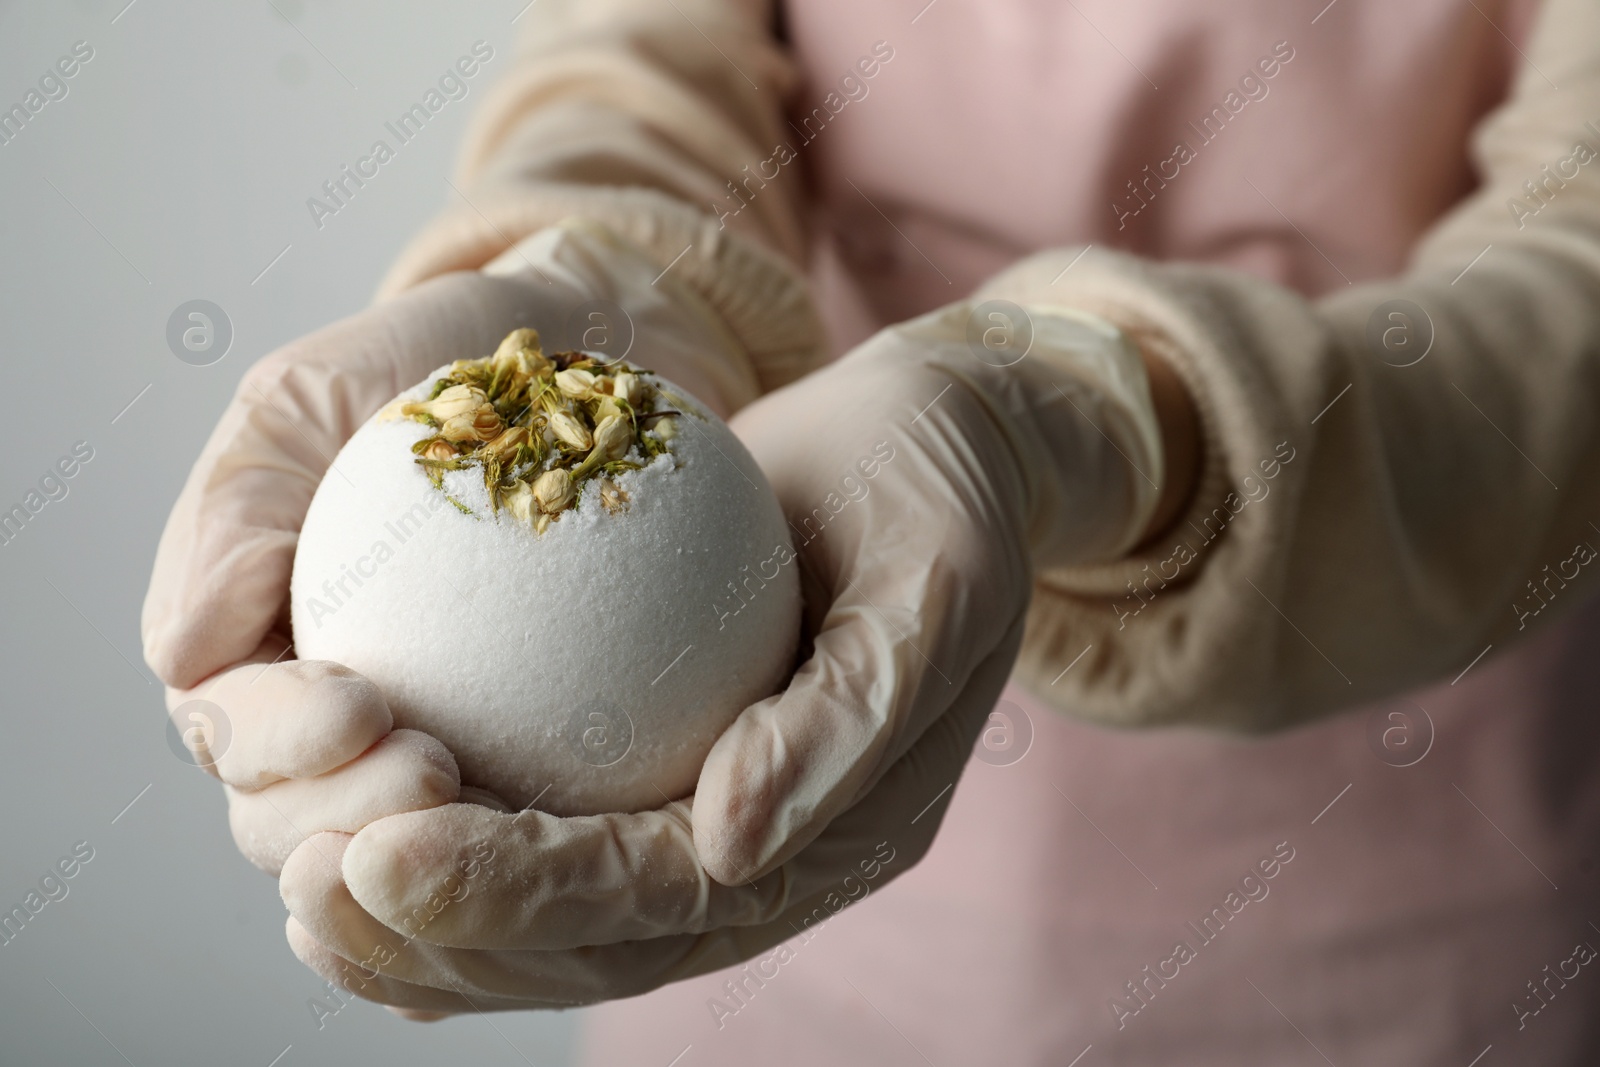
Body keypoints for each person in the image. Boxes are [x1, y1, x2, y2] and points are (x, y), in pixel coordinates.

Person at [143, 0, 1600, 1061]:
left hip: (1394, 920)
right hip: (773, 898)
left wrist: (1076, 416)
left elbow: (1569, 294)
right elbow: (637, 67)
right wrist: (612, 267)